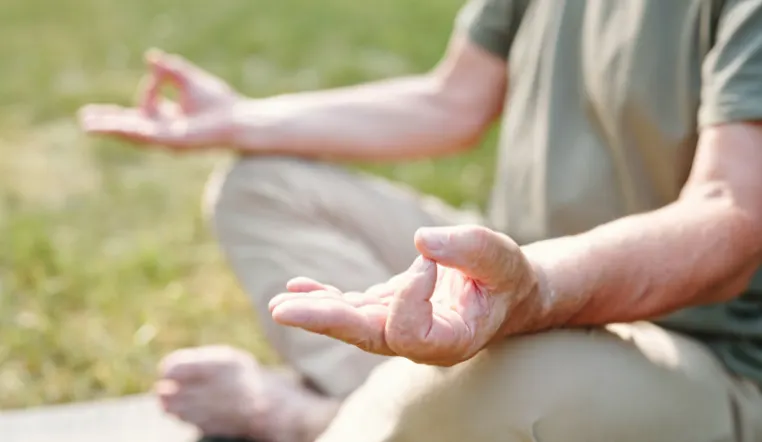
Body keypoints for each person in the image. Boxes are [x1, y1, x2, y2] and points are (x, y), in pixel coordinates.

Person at [79, 0, 762, 440]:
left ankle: (320, 419)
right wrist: (239, 120)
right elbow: (452, 100)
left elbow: (727, 219)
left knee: (474, 383)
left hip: (701, 355)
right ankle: (395, 412)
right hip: (514, 278)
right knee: (262, 186)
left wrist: (536, 292)